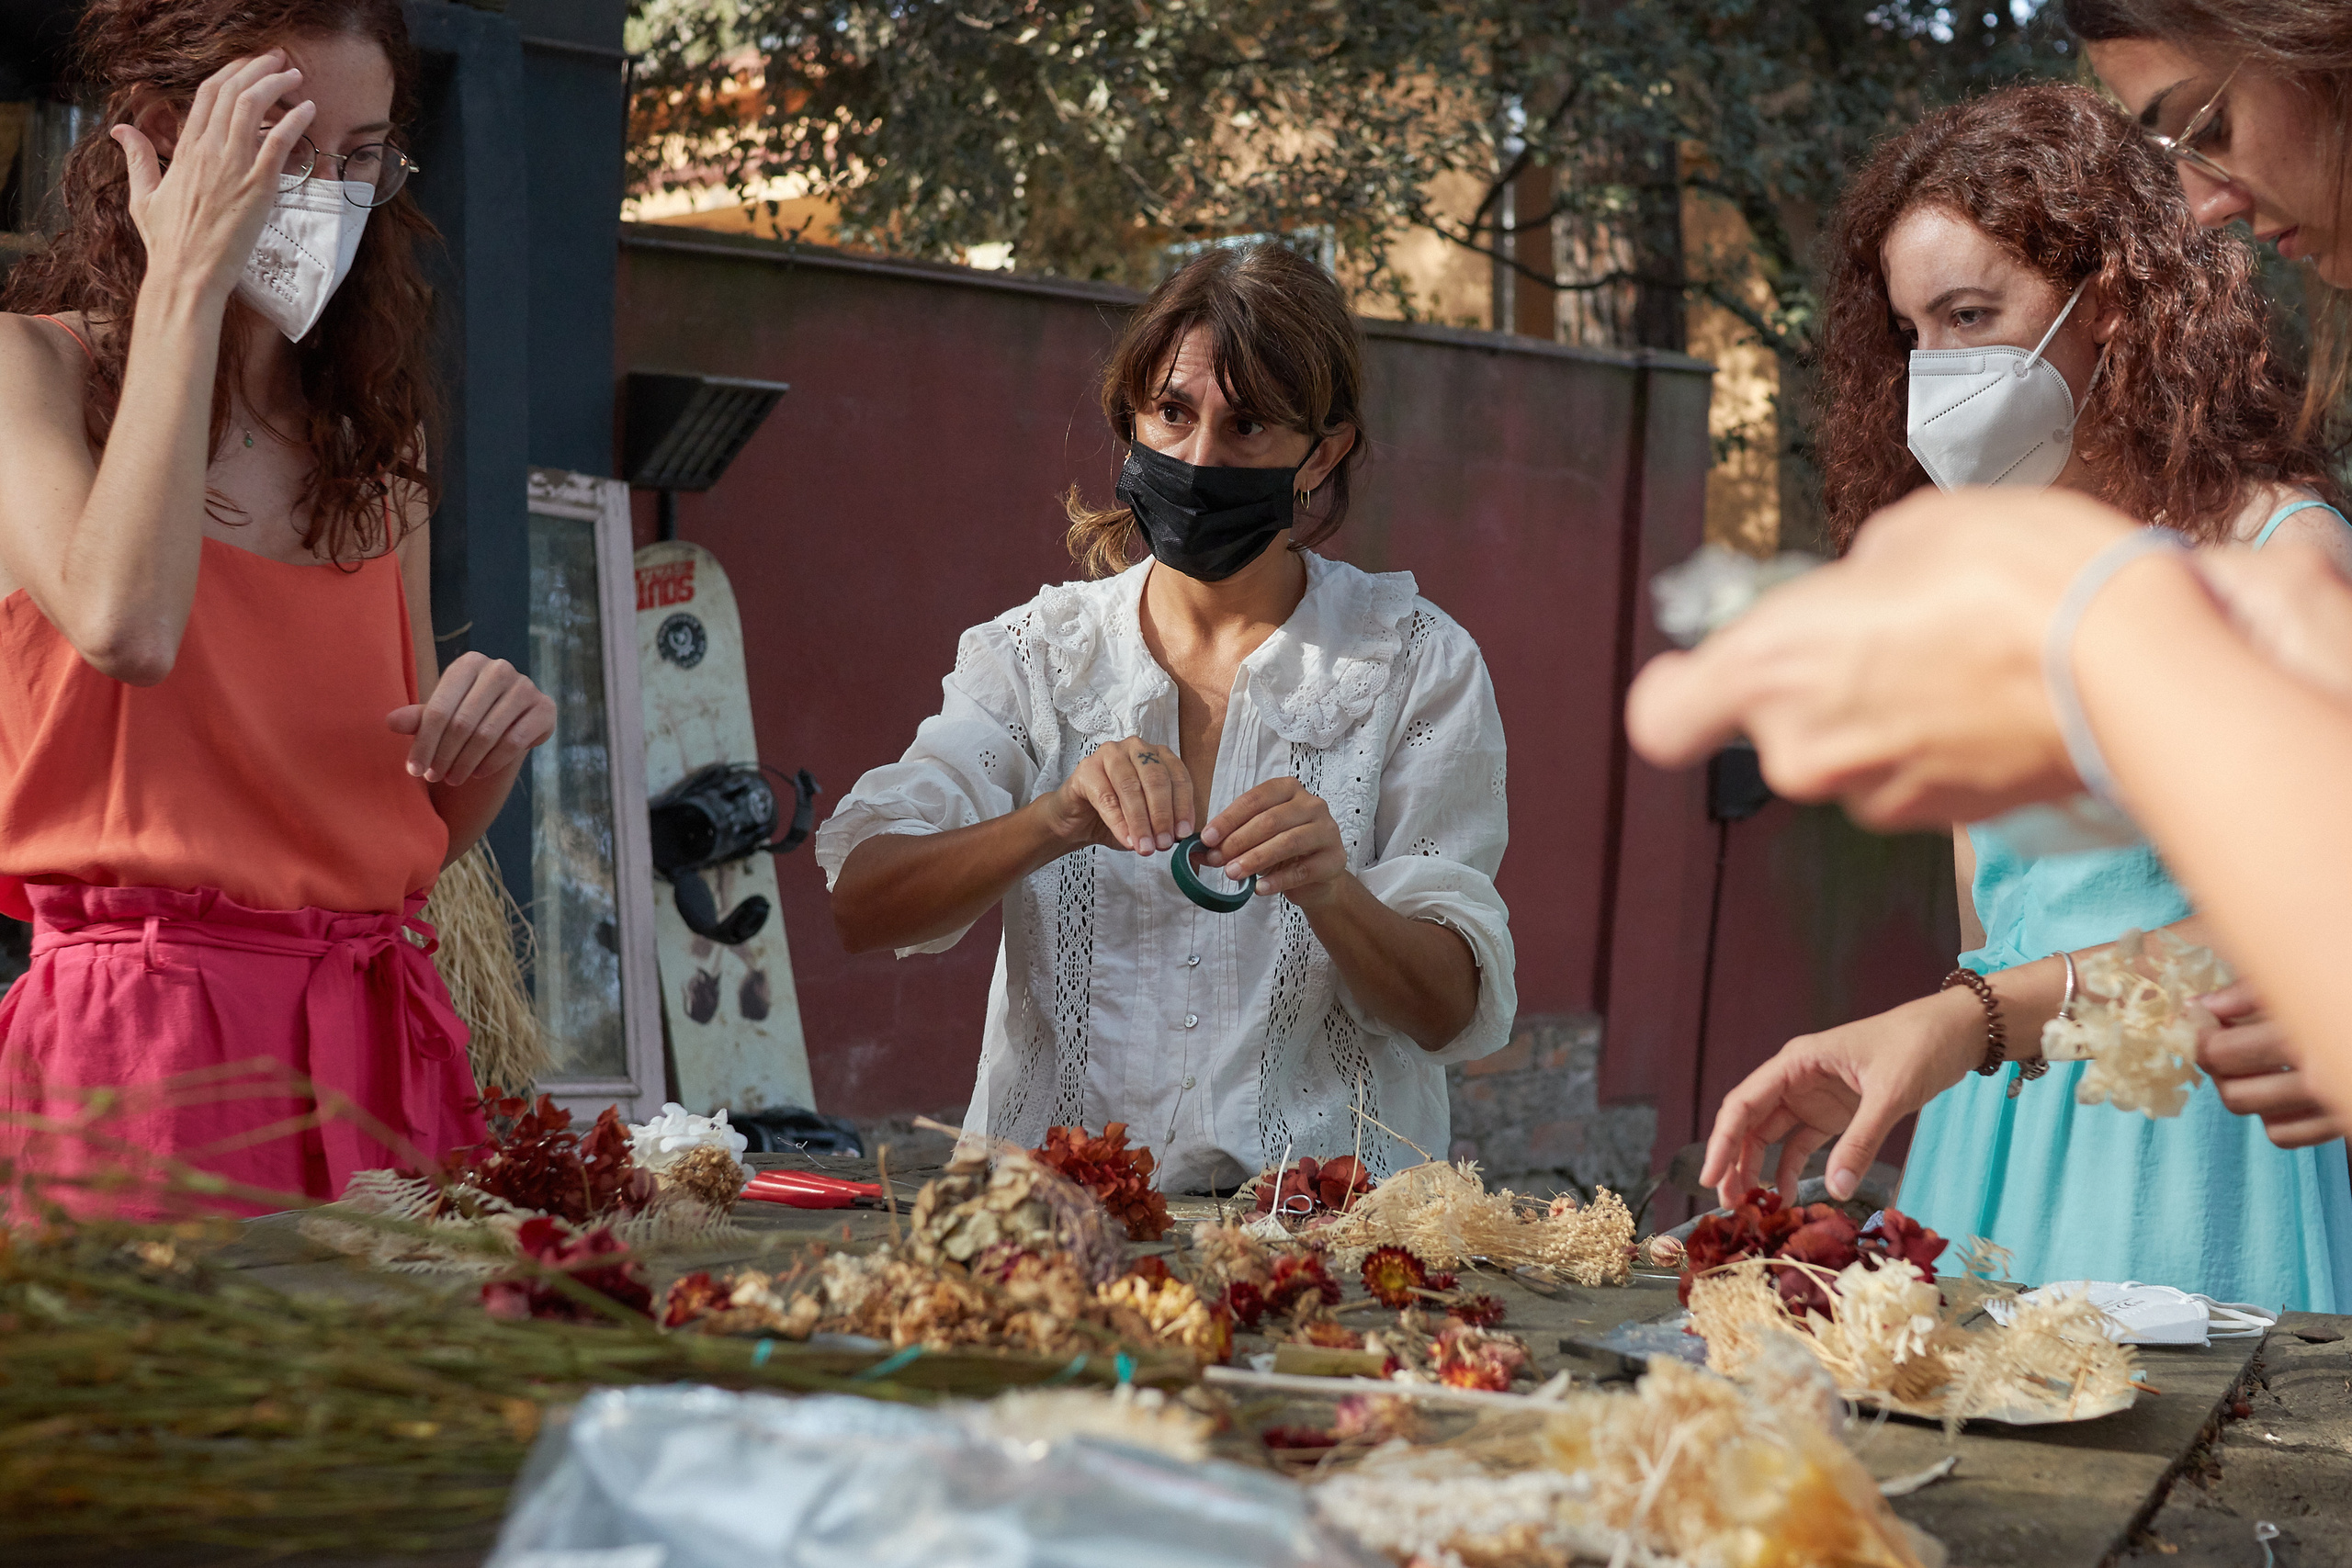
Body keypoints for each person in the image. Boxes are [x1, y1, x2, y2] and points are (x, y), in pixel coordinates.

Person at [1626, 0, 2352, 1225]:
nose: (1938, 375)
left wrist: (1967, 1016)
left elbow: (2294, 928)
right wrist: (1937, 1028)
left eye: (1972, 319)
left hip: (2210, 1171)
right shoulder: (1982, 610)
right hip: (2004, 1138)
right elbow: (1994, 937)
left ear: (2113, 305)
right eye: (1912, 336)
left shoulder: (2284, 560)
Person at [0, 0, 555, 1213]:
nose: (330, 194)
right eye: (288, 144)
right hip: (143, 1057)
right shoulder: (24, 373)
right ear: (160, 137)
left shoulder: (376, 449)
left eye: (361, 158)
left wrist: (488, 740)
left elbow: (398, 833)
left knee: (400, 1405)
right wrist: (187, 277)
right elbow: (126, 624)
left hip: (377, 1036)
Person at [817, 243, 1515, 1190]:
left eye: (1250, 426)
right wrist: (1052, 820)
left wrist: (1333, 892)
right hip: (1048, 1235)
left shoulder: (1415, 664)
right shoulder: (1033, 656)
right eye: (1172, 415)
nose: (1198, 459)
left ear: (1326, 451)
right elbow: (862, 902)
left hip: (1322, 1253)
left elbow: (1448, 1015)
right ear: (1131, 417)